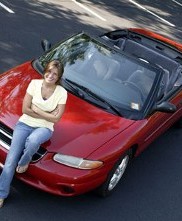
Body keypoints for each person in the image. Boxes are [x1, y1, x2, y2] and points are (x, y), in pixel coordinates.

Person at [0, 60, 67, 208]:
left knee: (33, 140)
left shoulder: (62, 93)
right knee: (10, 160)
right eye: (49, 72)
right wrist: (48, 114)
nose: (50, 76)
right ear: (45, 71)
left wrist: (37, 110)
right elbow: (25, 110)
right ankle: (1, 194)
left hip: (45, 129)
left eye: (55, 74)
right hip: (24, 124)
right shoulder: (34, 84)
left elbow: (56, 119)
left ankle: (25, 160)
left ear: (58, 77)